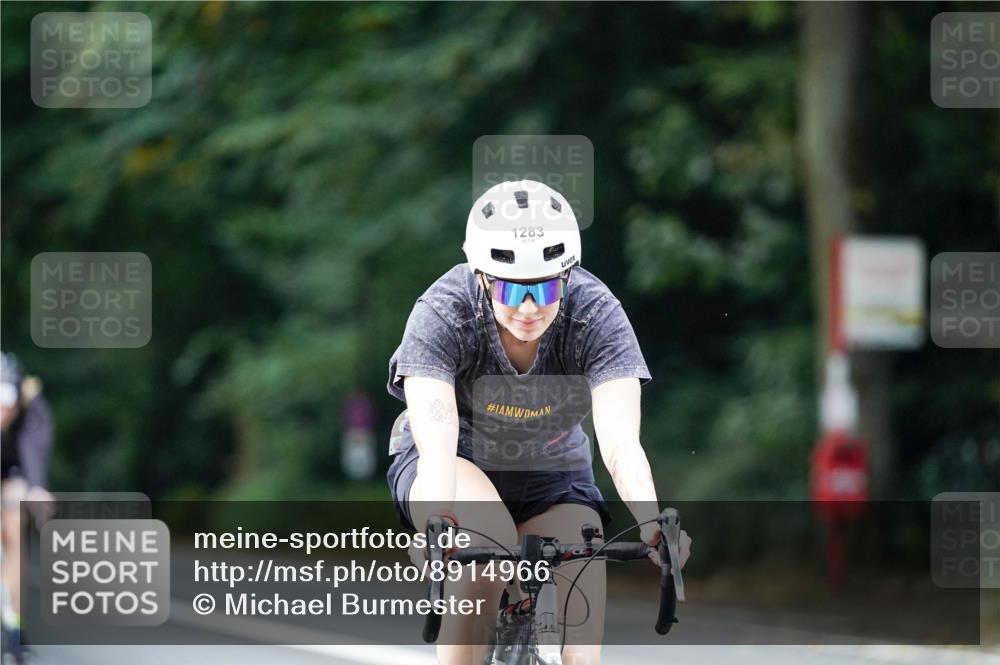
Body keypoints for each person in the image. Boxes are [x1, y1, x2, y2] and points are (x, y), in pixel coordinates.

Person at [386, 180, 691, 665]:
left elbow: (620, 443)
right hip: (457, 463)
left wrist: (652, 521)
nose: (529, 308)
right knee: (488, 552)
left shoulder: (596, 314)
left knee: (582, 652)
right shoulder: (443, 312)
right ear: (483, 276)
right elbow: (437, 441)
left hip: (553, 474)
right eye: (510, 288)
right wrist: (433, 524)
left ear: (568, 277)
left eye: (546, 287)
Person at [1, 352, 54, 662]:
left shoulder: (32, 408)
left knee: (15, 523)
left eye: (8, 402)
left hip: (12, 471)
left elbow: (33, 451)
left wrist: (37, 488)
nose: (4, 411)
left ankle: (15, 630)